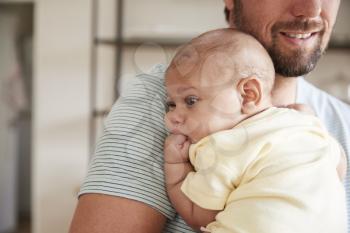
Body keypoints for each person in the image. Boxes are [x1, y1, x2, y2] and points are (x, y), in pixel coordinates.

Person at [69, 1, 350, 232]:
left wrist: (177, 175)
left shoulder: (342, 121)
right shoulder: (155, 99)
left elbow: (201, 211)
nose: (311, 9)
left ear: (250, 93)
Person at [163, 28, 347, 233]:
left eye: (191, 101)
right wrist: (312, 123)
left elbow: (201, 217)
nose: (172, 117)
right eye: (171, 104)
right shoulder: (301, 124)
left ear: (248, 94)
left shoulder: (220, 146)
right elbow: (339, 167)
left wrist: (176, 170)